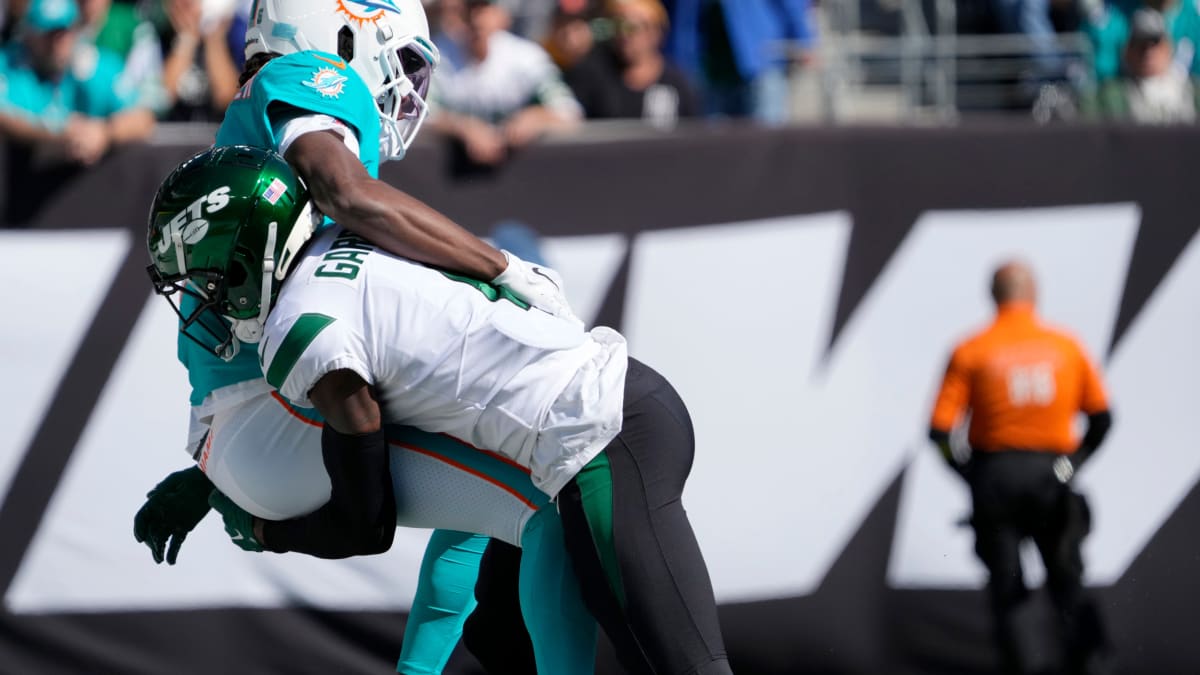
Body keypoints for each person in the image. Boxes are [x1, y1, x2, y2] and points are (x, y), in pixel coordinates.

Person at [149, 143, 733, 674]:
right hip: (603, 422)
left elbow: (365, 521)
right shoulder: (350, 236)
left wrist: (262, 530)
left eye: (206, 280)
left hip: (599, 442)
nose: (205, 299)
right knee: (500, 637)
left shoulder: (300, 331)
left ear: (245, 258)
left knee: (682, 668)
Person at [132, 0, 585, 671]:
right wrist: (505, 268)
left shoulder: (258, 117)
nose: (407, 87)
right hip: (277, 411)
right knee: (552, 484)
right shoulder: (306, 78)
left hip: (256, 414)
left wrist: (210, 478)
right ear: (340, 35)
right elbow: (345, 193)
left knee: (494, 480)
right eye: (401, 61)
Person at [929, 261, 1114, 675]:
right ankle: (1090, 666)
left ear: (992, 296)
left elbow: (938, 433)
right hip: (1052, 475)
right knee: (1067, 580)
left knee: (1007, 588)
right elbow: (1102, 422)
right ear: (1034, 294)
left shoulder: (972, 349)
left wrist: (968, 475)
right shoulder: (1065, 346)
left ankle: (1022, 666)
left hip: (995, 477)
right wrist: (1069, 468)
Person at [0, 0, 156, 166]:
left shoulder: (93, 65)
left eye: (63, 32)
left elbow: (143, 118)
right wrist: (57, 135)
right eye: (48, 34)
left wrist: (104, 132)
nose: (56, 43)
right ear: (29, 34)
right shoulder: (9, 65)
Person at [426, 0, 582, 165]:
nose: (476, 19)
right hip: (450, 171)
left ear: (502, 15)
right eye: (470, 9)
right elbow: (418, 115)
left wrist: (534, 118)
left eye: (484, 9)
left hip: (524, 169)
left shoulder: (527, 57)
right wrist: (463, 128)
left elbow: (569, 110)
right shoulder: (437, 56)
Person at [662, 0, 814, 124]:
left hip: (758, 60)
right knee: (714, 142)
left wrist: (803, 38)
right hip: (706, 65)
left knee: (765, 137)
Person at [565, 0, 699, 124]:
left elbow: (692, 132)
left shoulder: (677, 83)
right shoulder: (593, 72)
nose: (625, 35)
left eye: (632, 28)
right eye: (618, 26)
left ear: (655, 32)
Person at [1083, 7, 1199, 122]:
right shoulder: (1110, 96)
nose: (1148, 51)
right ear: (1128, 51)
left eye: (1154, 43)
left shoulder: (1193, 92)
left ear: (1168, 47)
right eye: (1140, 44)